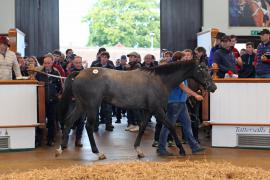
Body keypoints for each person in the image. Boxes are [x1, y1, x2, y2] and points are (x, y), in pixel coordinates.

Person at [157, 80, 205, 156]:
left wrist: (188, 94)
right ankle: (161, 148)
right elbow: (182, 86)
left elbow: (182, 87)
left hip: (180, 102)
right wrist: (195, 95)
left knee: (186, 124)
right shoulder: (178, 71)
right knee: (168, 126)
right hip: (176, 102)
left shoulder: (180, 71)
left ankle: (194, 146)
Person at [35, 53, 62, 146]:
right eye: (45, 63)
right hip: (41, 101)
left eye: (48, 63)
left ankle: (50, 139)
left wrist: (57, 95)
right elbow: (35, 85)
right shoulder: (39, 73)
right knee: (40, 121)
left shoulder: (56, 73)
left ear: (52, 63)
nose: (46, 65)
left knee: (51, 120)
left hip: (53, 101)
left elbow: (60, 87)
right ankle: (38, 140)